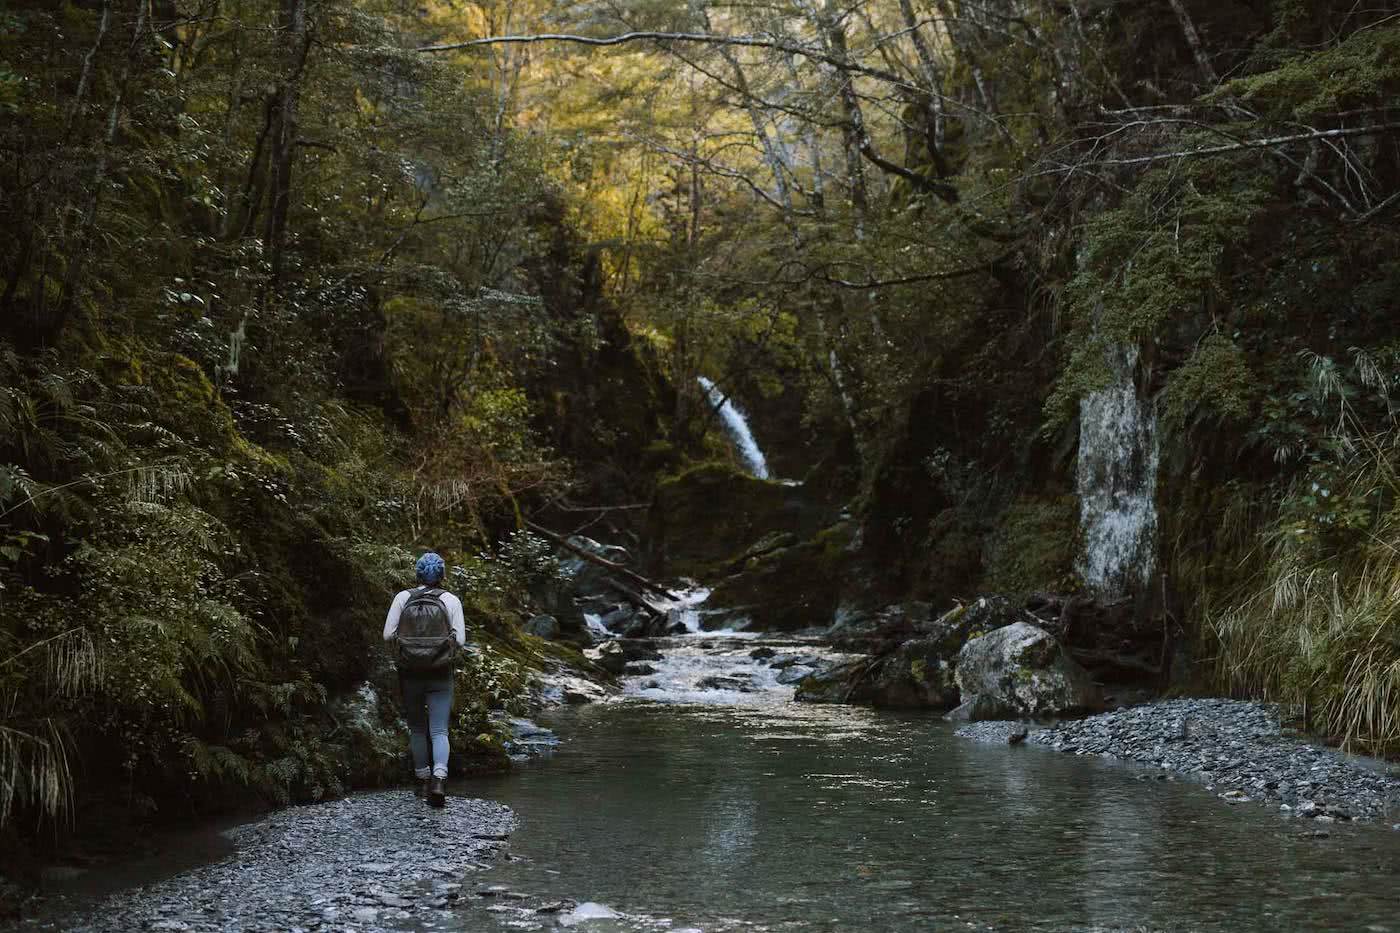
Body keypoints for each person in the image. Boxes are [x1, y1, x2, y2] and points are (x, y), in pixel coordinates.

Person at [383, 552, 466, 807]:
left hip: (410, 673)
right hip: (441, 672)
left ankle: (421, 781)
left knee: (418, 728)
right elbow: (460, 641)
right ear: (442, 575)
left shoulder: (402, 598)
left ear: (417, 574)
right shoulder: (451, 600)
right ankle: (439, 780)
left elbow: (388, 635)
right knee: (439, 729)